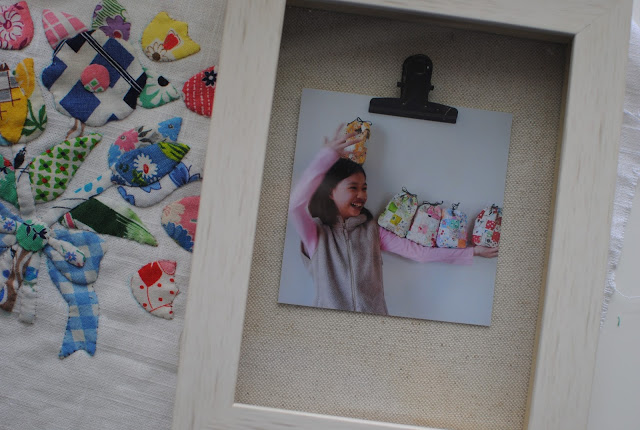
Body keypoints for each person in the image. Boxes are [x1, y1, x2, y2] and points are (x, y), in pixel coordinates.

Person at [289, 124, 499, 316]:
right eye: (353, 187)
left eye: (364, 188)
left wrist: (473, 252)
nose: (361, 195)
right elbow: (295, 205)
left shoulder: (372, 232)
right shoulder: (316, 234)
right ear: (330, 192)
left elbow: (421, 254)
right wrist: (326, 157)